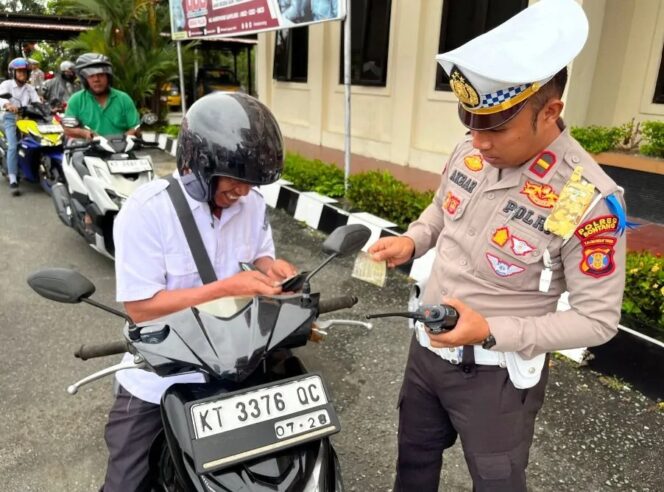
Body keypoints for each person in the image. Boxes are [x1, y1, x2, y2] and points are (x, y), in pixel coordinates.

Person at [368, 1, 627, 490]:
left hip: (496, 376)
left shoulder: (581, 197)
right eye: (472, 124)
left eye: (497, 129)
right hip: (426, 349)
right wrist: (412, 240)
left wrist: (491, 329)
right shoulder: (472, 146)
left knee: (497, 480)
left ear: (550, 111)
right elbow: (441, 210)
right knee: (413, 466)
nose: (479, 144)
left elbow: (598, 320)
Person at [103, 92, 298, 491]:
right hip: (161, 375)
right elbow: (141, 309)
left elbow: (260, 255)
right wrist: (226, 288)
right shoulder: (146, 213)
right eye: (235, 179)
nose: (243, 191)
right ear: (198, 165)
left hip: (235, 363)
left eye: (251, 182)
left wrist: (273, 270)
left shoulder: (252, 205)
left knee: (274, 471)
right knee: (127, 481)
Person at [64, 53, 140, 140]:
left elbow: (135, 127)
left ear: (108, 77)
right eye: (91, 76)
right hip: (88, 150)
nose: (96, 79)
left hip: (122, 149)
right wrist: (85, 133)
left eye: (101, 75)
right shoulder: (76, 100)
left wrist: (124, 139)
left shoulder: (124, 98)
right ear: (85, 80)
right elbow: (68, 129)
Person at [0, 57, 41, 196]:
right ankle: (13, 179)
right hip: (10, 118)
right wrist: (8, 105)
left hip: (26, 118)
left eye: (25, 72)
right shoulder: (6, 85)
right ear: (13, 73)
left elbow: (37, 102)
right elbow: (1, 98)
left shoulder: (29, 88)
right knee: (13, 146)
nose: (22, 74)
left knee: (37, 141)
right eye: (19, 72)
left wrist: (46, 107)